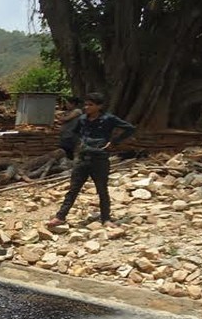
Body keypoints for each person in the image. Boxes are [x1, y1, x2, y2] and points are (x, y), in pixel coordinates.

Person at [47, 92, 136, 228]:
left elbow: (130, 128)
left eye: (90, 105)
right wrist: (80, 143)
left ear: (99, 106)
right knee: (73, 189)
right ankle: (60, 217)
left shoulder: (108, 119)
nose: (86, 107)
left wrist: (114, 142)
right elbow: (74, 132)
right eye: (86, 104)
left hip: (100, 158)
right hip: (83, 158)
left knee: (102, 189)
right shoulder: (82, 119)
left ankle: (106, 219)